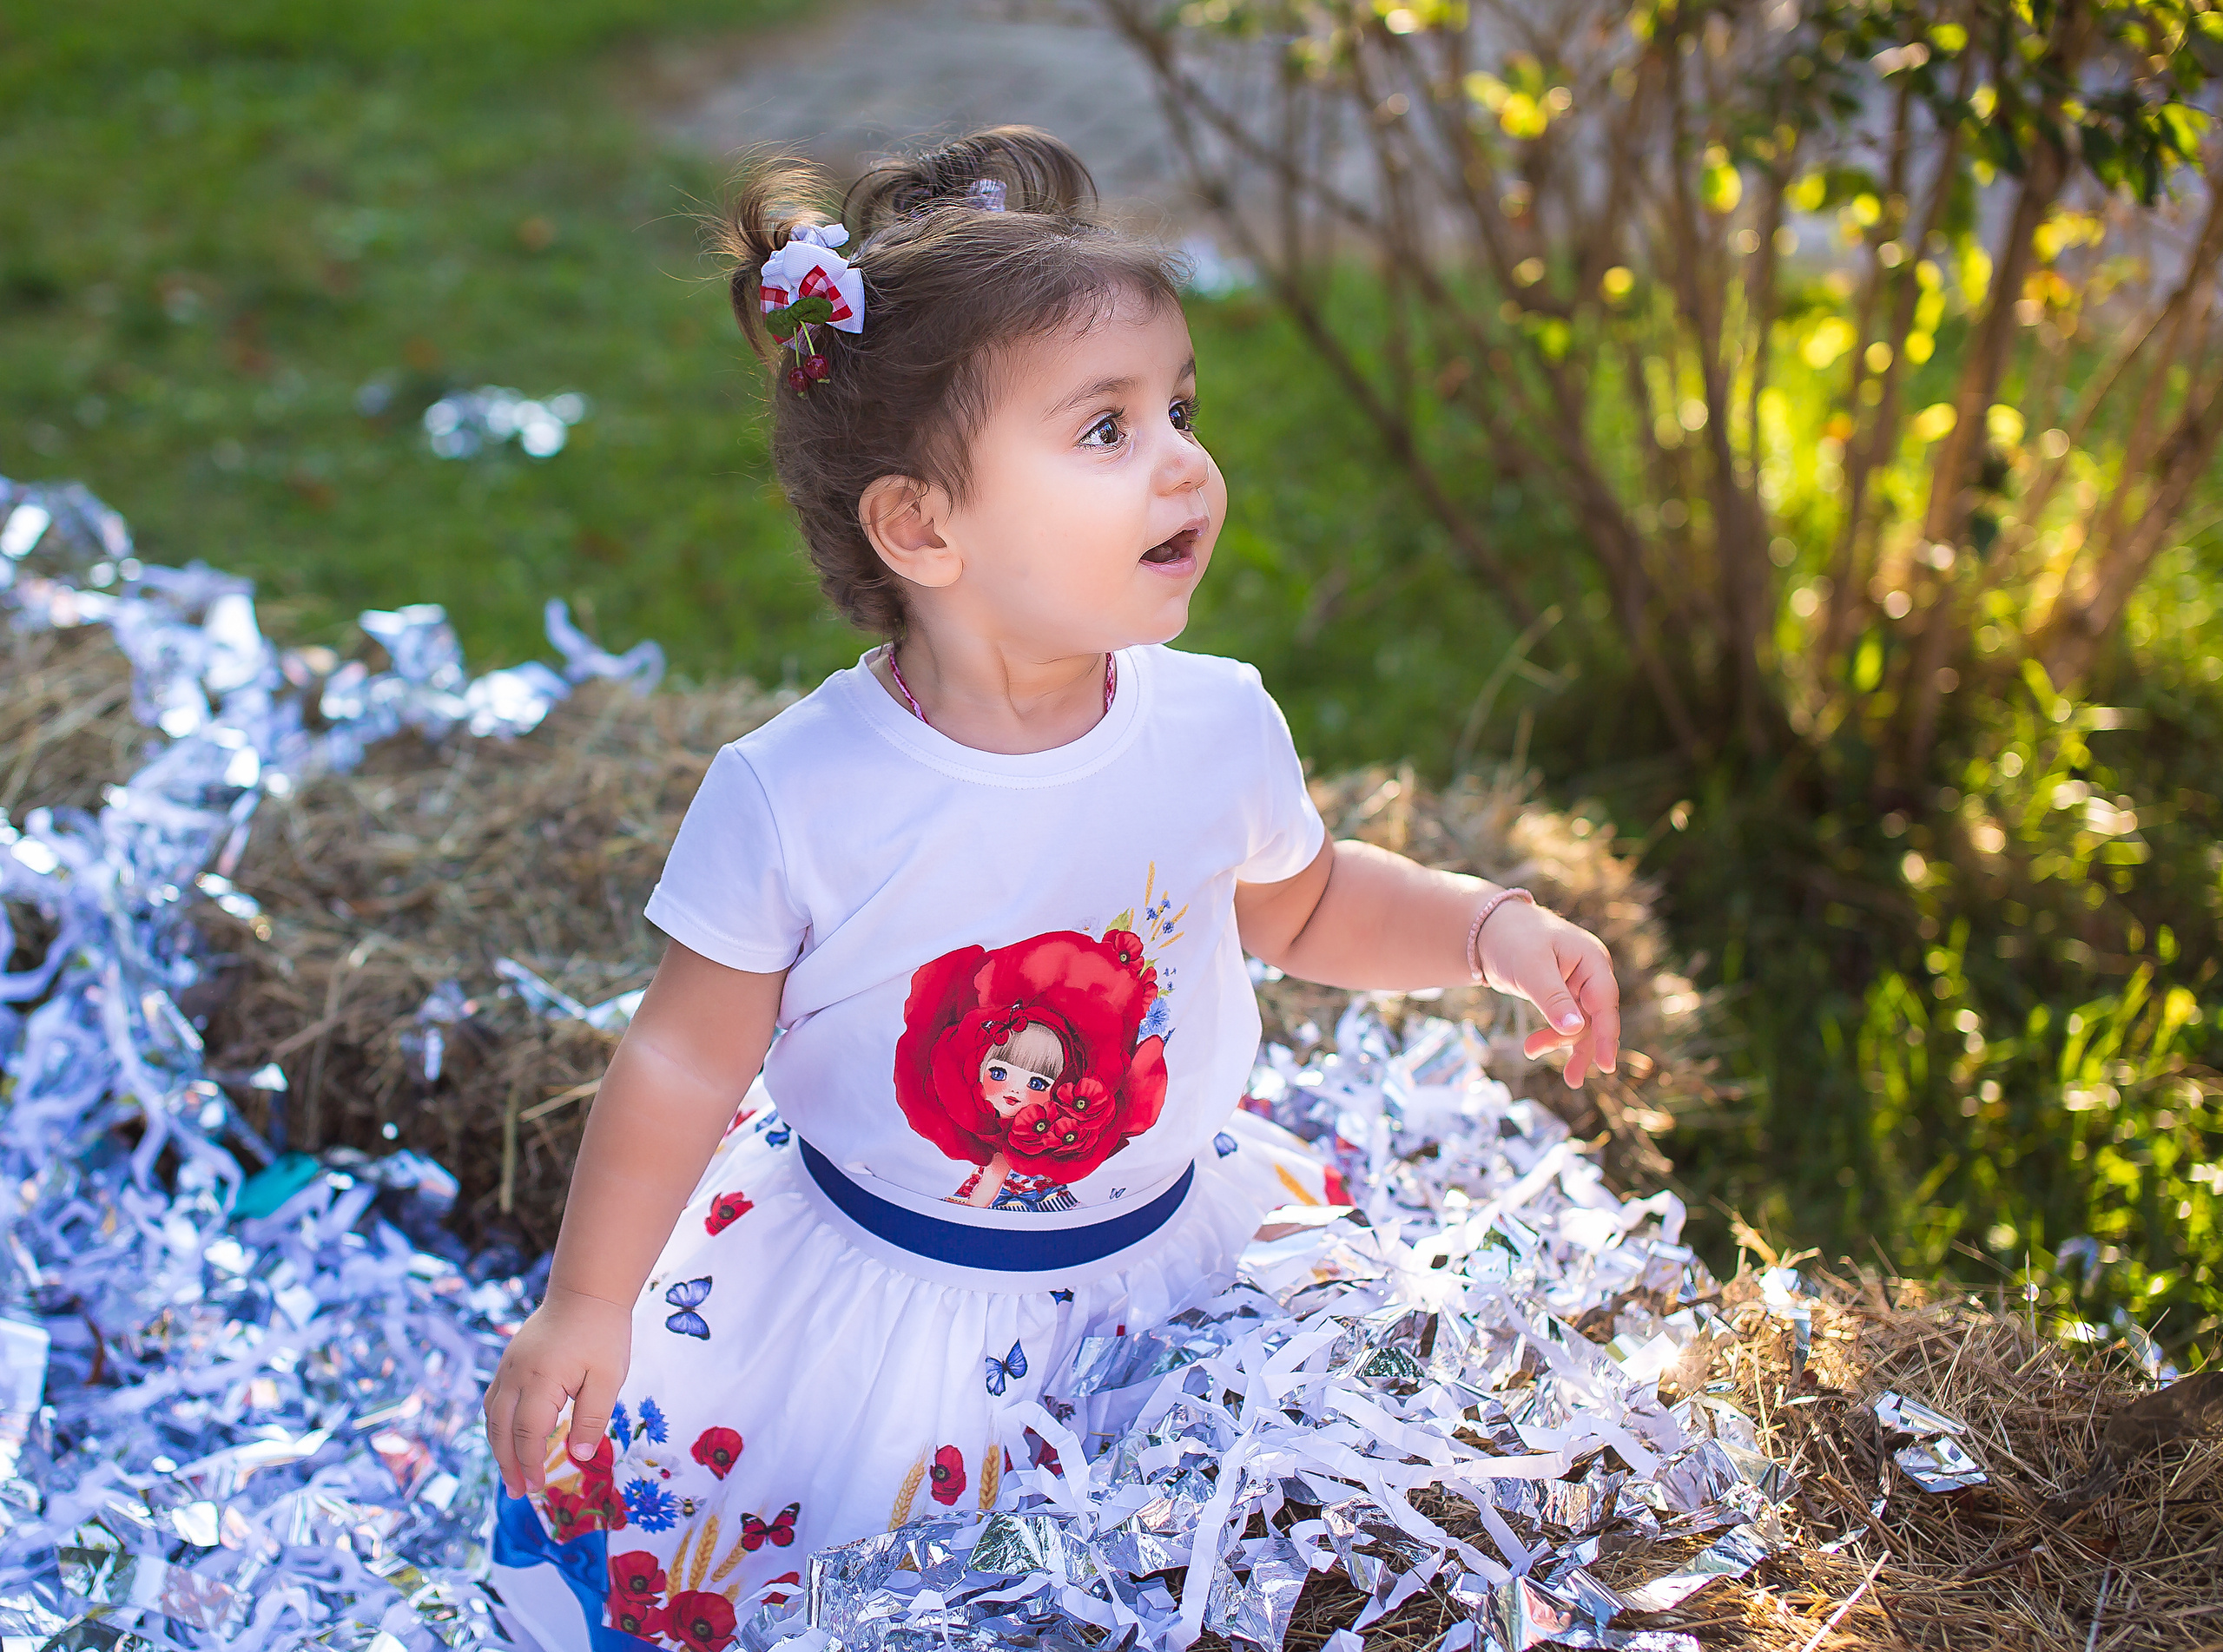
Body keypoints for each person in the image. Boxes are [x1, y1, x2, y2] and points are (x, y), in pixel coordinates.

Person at [479, 126, 1620, 1652]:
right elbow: (686, 1056)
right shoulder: (797, 795)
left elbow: (1303, 903)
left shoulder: (1213, 723)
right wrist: (591, 1304)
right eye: (1106, 430)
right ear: (922, 526)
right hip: (890, 1311)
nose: (1185, 462)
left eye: (1181, 410)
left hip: (1170, 1259)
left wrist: (1485, 928)